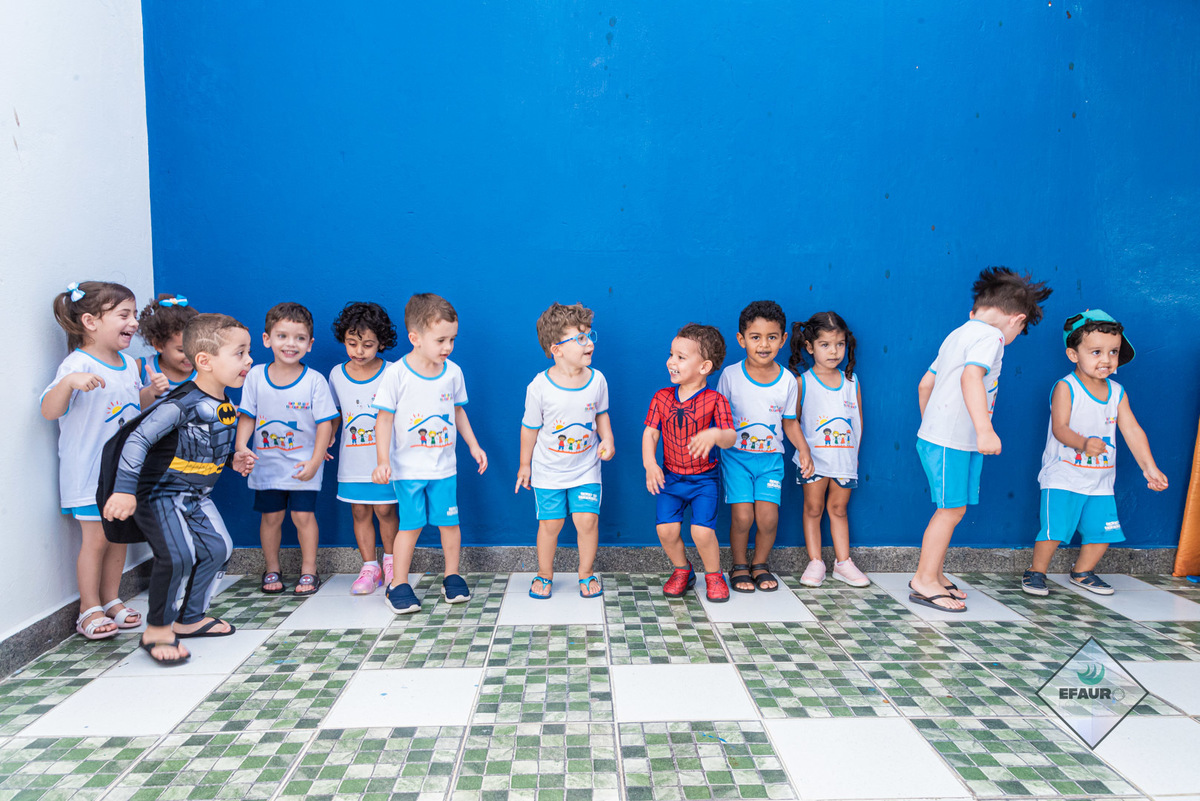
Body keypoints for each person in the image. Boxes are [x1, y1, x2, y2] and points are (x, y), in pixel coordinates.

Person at [98, 314, 257, 665]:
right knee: (178, 556)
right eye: (240, 353)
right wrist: (123, 490)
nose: (249, 360)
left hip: (196, 496)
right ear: (205, 360)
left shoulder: (222, 401)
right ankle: (157, 630)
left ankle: (191, 618)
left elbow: (199, 442)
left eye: (248, 352)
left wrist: (231, 459)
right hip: (161, 494)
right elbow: (137, 440)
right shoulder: (180, 403)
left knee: (218, 548)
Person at [912, 267, 1052, 611]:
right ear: (1017, 320)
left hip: (945, 438)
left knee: (953, 509)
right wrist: (984, 429)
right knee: (950, 511)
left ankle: (935, 573)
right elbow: (971, 377)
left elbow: (925, 384)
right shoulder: (992, 337)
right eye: (1020, 330)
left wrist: (933, 424)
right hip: (953, 441)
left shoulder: (958, 333)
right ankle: (924, 579)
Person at [41, 281, 165, 640]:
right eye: (124, 315)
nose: (134, 322)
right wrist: (69, 383)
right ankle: (88, 608)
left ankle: (111, 599)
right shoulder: (77, 363)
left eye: (134, 314)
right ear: (91, 322)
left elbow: (131, 407)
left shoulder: (128, 364)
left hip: (120, 475)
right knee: (96, 540)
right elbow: (49, 410)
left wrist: (151, 392)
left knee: (118, 538)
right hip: (88, 473)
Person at [1021, 310, 1168, 596]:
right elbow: (1060, 428)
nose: (1107, 359)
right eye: (1096, 352)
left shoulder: (1117, 392)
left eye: (1113, 352)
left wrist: (1149, 467)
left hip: (1101, 480)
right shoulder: (1066, 387)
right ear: (1073, 354)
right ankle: (1036, 571)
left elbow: (1132, 430)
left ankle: (1082, 571)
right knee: (1054, 530)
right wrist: (1083, 443)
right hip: (1063, 476)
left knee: (1102, 532)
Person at [372, 293, 488, 614]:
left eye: (452, 339)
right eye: (440, 340)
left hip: (444, 468)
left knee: (450, 523)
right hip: (408, 470)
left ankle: (452, 576)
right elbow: (383, 419)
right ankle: (399, 584)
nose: (448, 347)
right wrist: (382, 460)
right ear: (415, 338)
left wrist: (473, 445)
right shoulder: (397, 374)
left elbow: (458, 412)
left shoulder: (452, 373)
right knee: (410, 526)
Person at [235, 302, 338, 596]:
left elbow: (325, 424)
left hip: (303, 466)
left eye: (299, 338)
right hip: (267, 464)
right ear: (267, 339)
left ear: (310, 344)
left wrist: (315, 462)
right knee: (271, 517)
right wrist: (241, 446)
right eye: (282, 336)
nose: (290, 344)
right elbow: (248, 416)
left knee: (303, 517)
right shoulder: (255, 376)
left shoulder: (314, 381)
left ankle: (309, 570)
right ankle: (272, 568)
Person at [516, 302, 614, 599]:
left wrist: (608, 440)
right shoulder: (539, 386)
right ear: (556, 349)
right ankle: (545, 573)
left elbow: (601, 414)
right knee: (551, 523)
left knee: (587, 520)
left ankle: (586, 573)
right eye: (580, 338)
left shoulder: (597, 380)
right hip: (549, 471)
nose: (590, 343)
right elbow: (529, 428)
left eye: (590, 335)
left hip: (586, 467)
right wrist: (524, 465)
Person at [717, 301, 810, 593]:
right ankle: (739, 565)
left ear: (783, 340)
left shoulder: (788, 381)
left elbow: (790, 423)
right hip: (736, 459)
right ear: (741, 339)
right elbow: (719, 418)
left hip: (771, 461)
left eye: (772, 337)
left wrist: (804, 450)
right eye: (755, 337)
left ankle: (759, 564)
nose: (764, 344)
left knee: (768, 518)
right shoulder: (730, 376)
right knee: (743, 516)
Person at [644, 324, 736, 602]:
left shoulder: (716, 400)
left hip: (704, 480)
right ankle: (683, 569)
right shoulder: (661, 397)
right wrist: (650, 464)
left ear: (704, 367)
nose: (671, 361)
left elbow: (730, 437)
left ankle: (714, 575)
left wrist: (715, 434)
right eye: (671, 354)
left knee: (701, 531)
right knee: (666, 529)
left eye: (681, 357)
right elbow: (650, 433)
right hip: (671, 477)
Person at [788, 311, 870, 588]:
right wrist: (804, 454)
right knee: (813, 508)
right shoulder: (803, 383)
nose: (834, 351)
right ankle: (815, 562)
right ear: (810, 347)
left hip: (844, 461)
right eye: (825, 344)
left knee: (838, 509)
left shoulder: (852, 382)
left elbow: (858, 422)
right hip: (814, 462)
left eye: (839, 344)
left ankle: (843, 563)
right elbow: (793, 422)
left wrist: (853, 457)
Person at [328, 302, 401, 595]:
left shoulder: (393, 372)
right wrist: (329, 437)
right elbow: (335, 413)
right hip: (353, 460)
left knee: (385, 509)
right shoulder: (336, 374)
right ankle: (370, 567)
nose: (359, 351)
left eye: (368, 345)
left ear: (381, 343)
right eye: (352, 343)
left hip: (385, 461)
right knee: (359, 511)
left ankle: (393, 563)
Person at [135, 293, 199, 395]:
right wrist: (152, 391)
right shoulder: (141, 368)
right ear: (159, 345)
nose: (191, 355)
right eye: (181, 350)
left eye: (196, 348)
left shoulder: (203, 371)